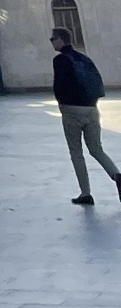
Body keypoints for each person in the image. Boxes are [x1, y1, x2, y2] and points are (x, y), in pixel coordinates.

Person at [51, 26, 120, 206]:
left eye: (53, 39)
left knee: (76, 152)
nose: (51, 42)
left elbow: (59, 86)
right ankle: (117, 175)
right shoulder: (84, 58)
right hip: (91, 109)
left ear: (61, 40)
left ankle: (85, 193)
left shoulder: (60, 60)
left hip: (72, 110)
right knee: (96, 149)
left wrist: (63, 105)